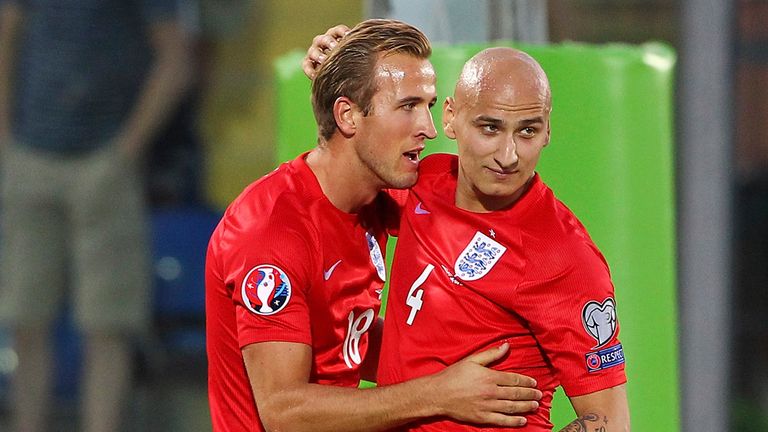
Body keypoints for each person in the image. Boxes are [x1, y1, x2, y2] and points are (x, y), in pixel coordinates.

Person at [205, 19, 542, 432]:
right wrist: (438, 392)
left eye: (429, 106)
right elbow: (284, 411)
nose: (428, 129)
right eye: (407, 106)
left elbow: (347, 339)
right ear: (347, 116)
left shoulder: (376, 197)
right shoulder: (270, 232)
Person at [305, 32, 630, 432]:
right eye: (489, 128)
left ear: (547, 131)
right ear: (450, 118)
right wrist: (335, 74)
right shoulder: (424, 183)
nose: (508, 155)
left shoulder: (564, 257)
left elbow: (610, 421)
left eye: (527, 131)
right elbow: (353, 158)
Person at [0, 1, 193, 431]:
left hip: (104, 163)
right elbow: (8, 31)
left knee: (109, 323)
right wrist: (5, 136)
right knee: (25, 317)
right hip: (31, 154)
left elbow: (176, 58)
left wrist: (126, 150)